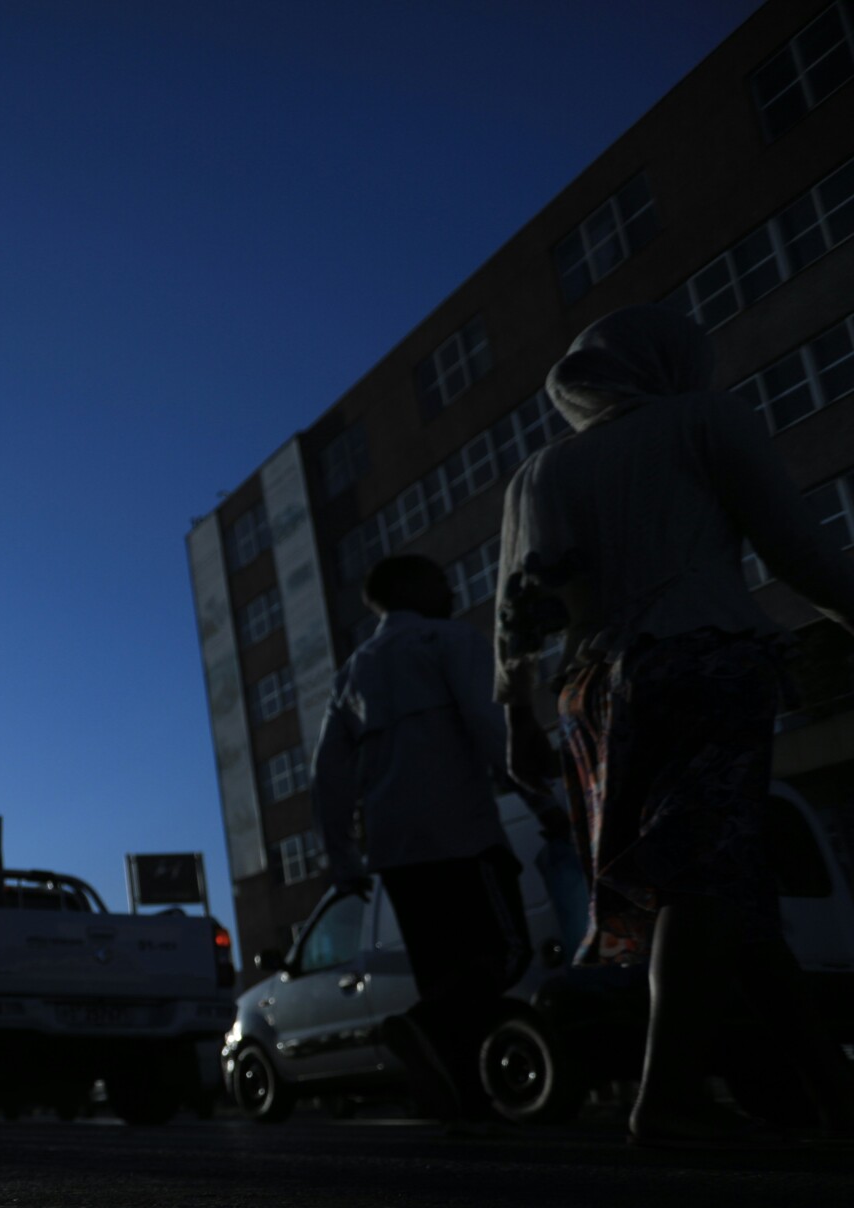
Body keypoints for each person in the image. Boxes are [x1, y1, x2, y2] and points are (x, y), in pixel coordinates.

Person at [493, 303, 854, 1145]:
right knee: (702, 876)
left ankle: (833, 1087)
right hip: (703, 660)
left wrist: (515, 715)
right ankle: (667, 1097)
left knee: (732, 891)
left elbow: (518, 614)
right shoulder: (702, 419)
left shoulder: (539, 473)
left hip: (592, 693)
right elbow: (796, 550)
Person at [311, 552, 540, 1120]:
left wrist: (344, 859)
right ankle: (425, 1026)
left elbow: (328, 779)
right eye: (440, 579)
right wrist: (544, 800)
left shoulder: (352, 674)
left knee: (443, 971)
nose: (451, 586)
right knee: (504, 955)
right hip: (465, 838)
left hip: (399, 855)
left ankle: (464, 1101)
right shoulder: (449, 641)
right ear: (409, 588)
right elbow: (492, 728)